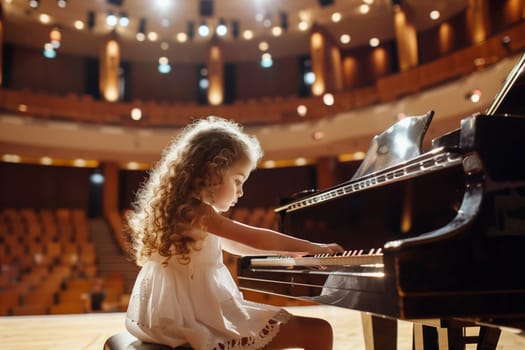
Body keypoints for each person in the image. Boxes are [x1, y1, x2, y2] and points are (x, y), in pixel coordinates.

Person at [125, 116, 344, 350]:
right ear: (212, 174)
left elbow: (237, 245)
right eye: (238, 181)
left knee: (301, 327)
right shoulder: (198, 212)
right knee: (319, 332)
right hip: (194, 321)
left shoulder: (184, 209)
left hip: (174, 318)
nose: (240, 192)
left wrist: (290, 251)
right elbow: (255, 237)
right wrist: (313, 247)